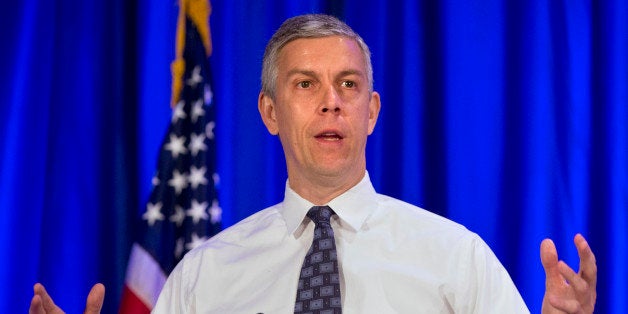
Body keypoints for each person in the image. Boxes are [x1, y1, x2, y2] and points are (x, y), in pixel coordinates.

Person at [30, 14, 597, 314]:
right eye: (307, 84)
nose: (331, 101)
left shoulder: (456, 258)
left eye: (348, 85)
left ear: (371, 111)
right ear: (270, 111)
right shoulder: (203, 277)